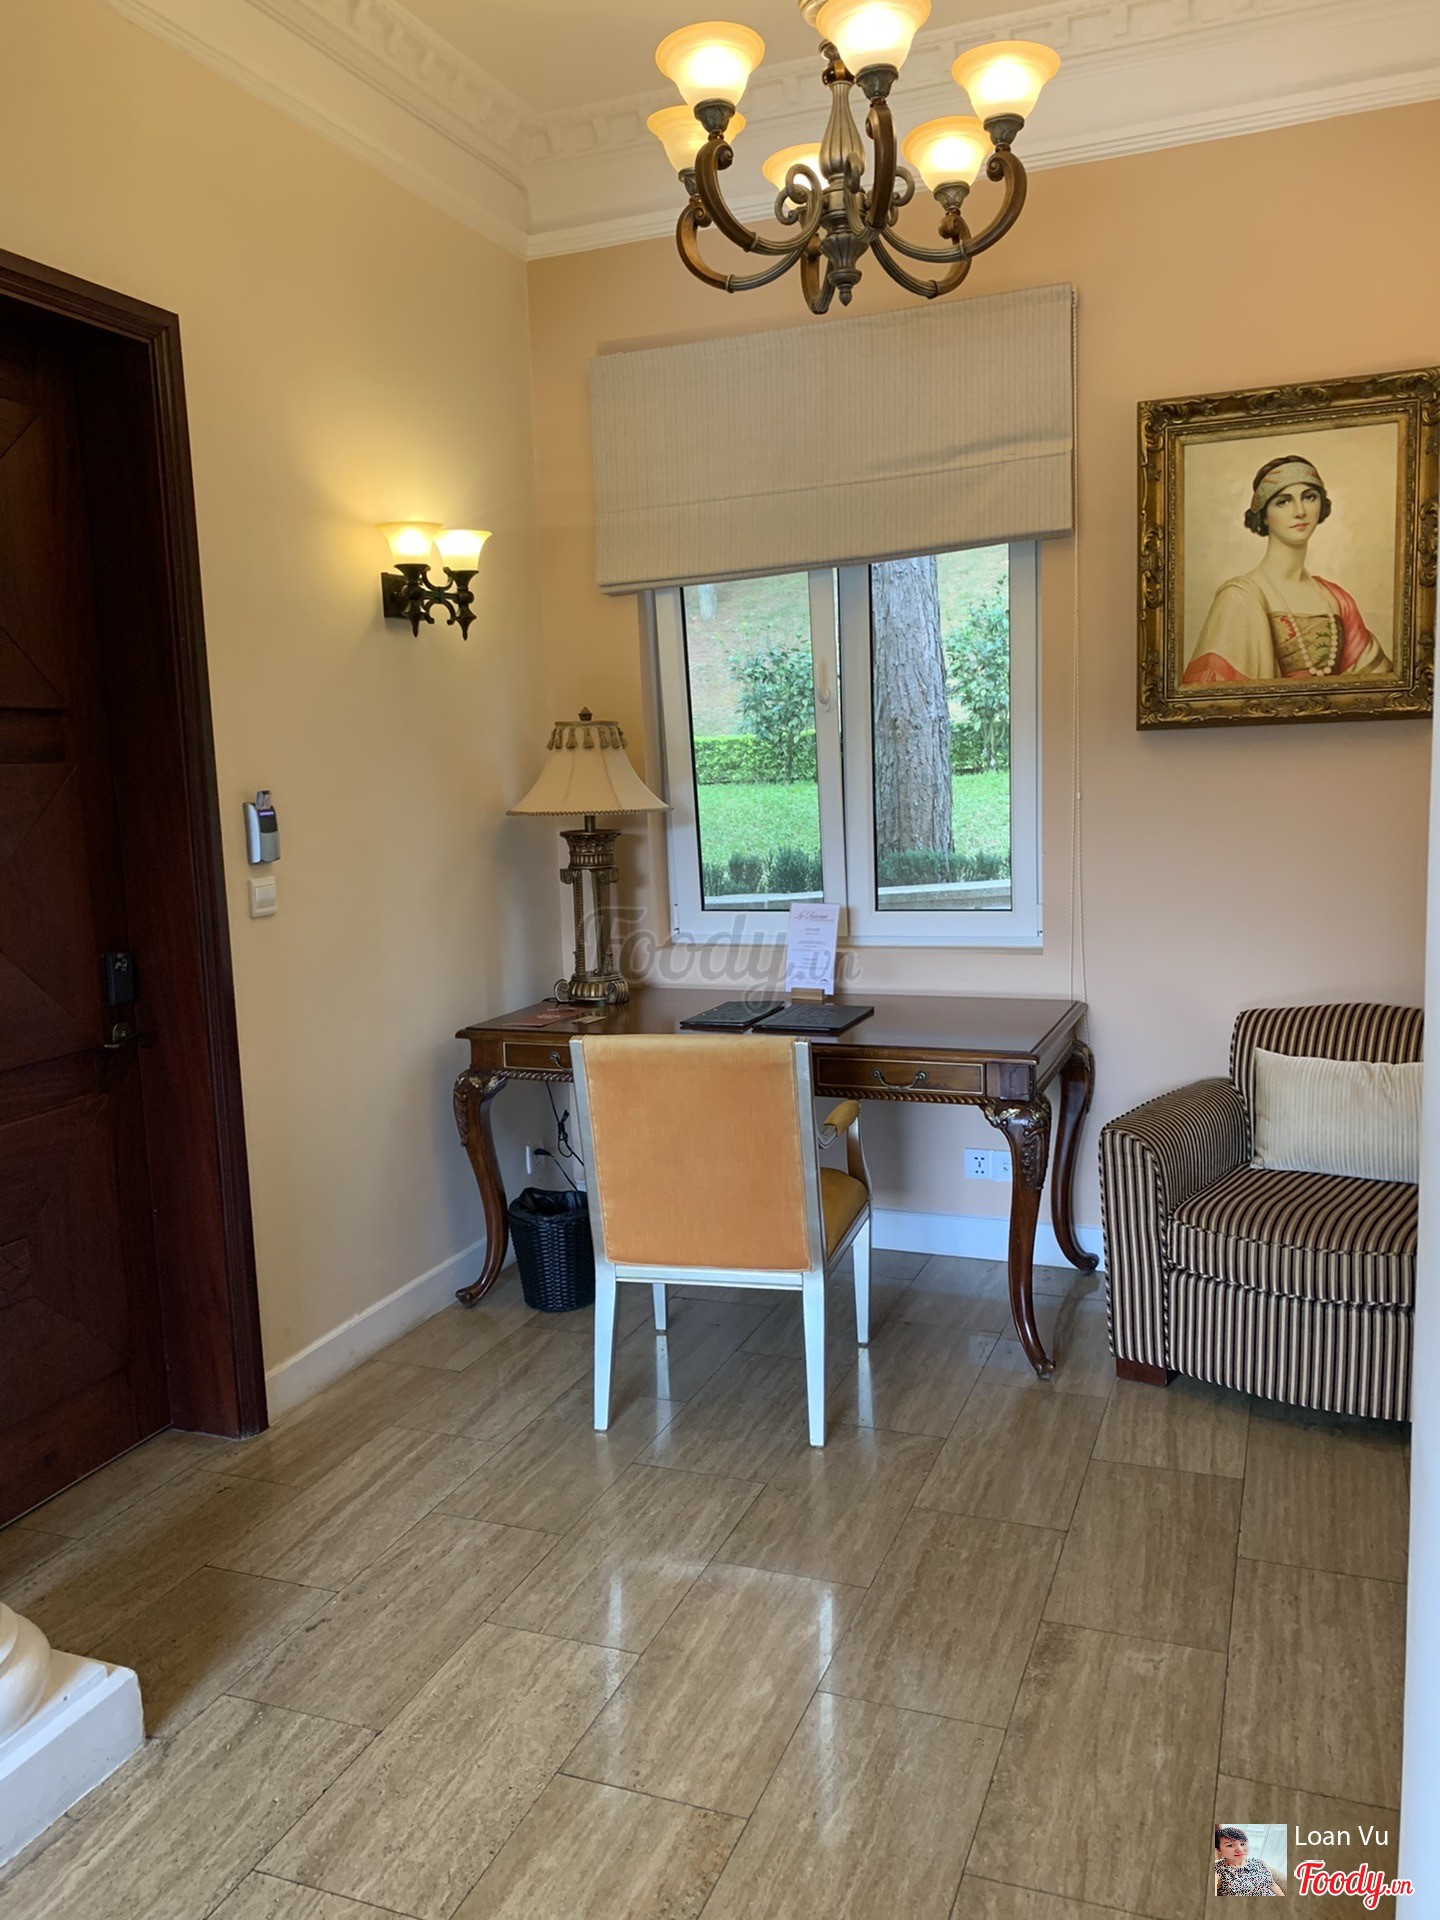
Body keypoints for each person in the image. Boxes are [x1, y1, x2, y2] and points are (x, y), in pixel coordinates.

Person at [1183, 455, 1392, 684]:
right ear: (1263, 516)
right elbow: (1216, 695)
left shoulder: (1336, 599)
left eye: (1309, 497)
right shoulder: (1238, 597)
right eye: (1283, 501)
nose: (1300, 511)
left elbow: (1379, 685)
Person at [1214, 1826, 1285, 1896]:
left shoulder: (1259, 1863)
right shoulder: (1218, 1869)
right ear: (1219, 1850)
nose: (1240, 1849)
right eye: (1230, 1845)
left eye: (1242, 1844)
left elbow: (1272, 1884)